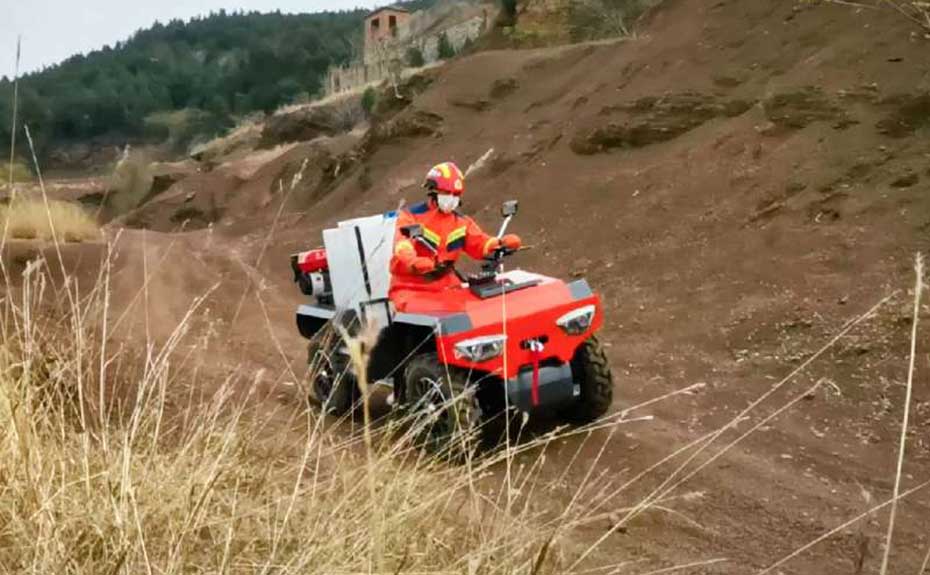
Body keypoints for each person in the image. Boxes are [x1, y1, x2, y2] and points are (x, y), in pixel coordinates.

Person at [389, 161, 521, 311]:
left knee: (472, 312)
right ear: (433, 192)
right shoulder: (411, 216)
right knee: (425, 318)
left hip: (446, 283)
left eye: (456, 194)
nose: (452, 198)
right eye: (447, 193)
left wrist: (500, 243)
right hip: (411, 286)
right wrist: (414, 261)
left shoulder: (461, 222)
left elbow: (479, 243)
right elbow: (402, 245)